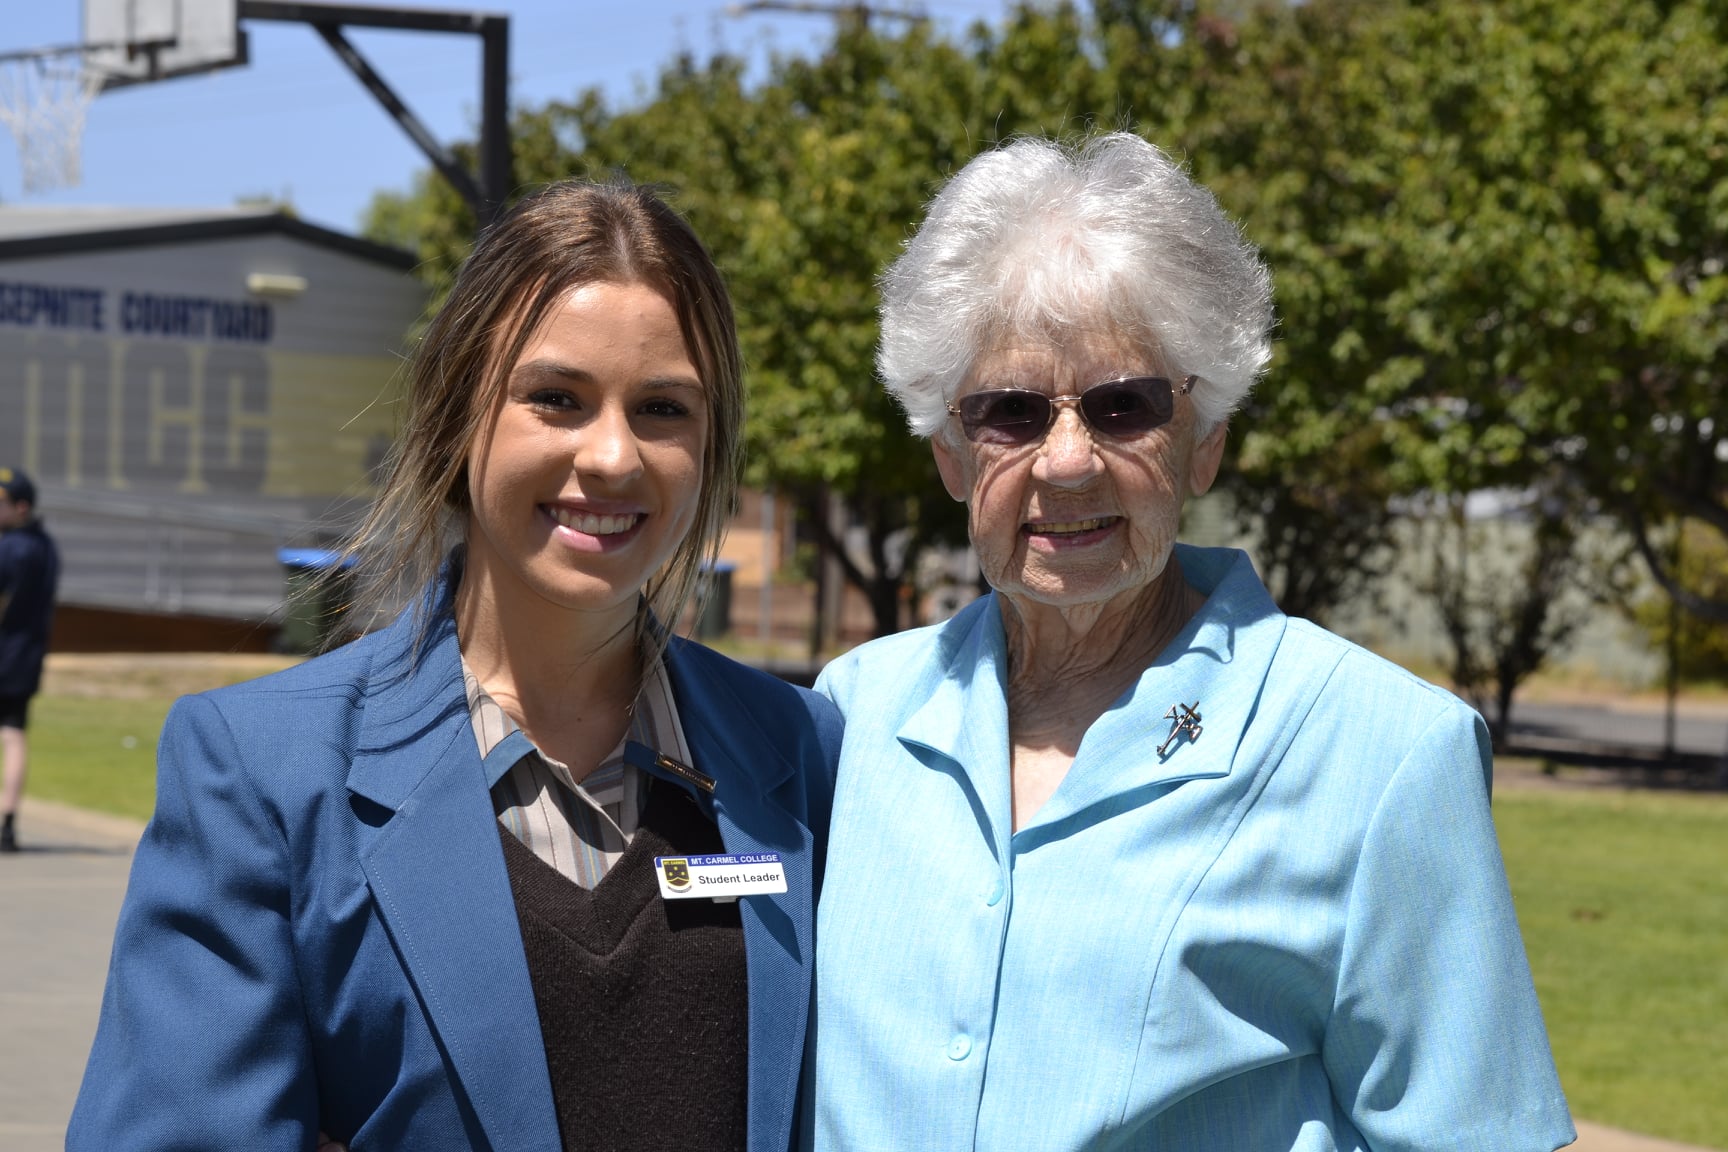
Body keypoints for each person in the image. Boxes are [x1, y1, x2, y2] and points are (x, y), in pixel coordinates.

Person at [806, 134, 1575, 1151]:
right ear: (950, 451)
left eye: (1125, 406)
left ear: (1203, 439)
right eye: (1011, 412)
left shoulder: (1383, 751)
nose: (1068, 462)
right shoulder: (850, 716)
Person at [70, 180, 841, 1152]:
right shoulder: (263, 775)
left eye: (662, 409)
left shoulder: (799, 751)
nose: (611, 455)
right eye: (555, 399)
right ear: (455, 414)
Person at [0, 466, 59, 855]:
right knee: (13, 734)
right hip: (26, 657)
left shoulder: (9, 548)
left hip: (6, 652)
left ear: (21, 507)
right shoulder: (46, 546)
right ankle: (7, 822)